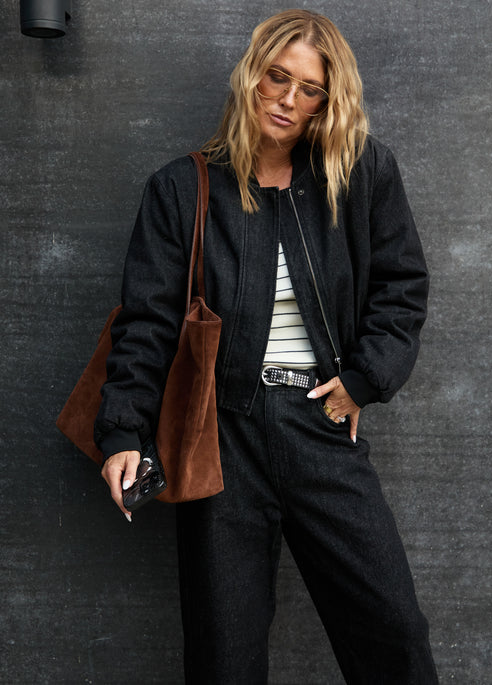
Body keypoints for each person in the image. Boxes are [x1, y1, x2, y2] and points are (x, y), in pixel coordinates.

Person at [95, 9, 438, 684]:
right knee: (225, 653)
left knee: (393, 630)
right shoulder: (182, 188)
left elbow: (401, 287)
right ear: (251, 75)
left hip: (320, 422)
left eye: (309, 88)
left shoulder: (360, 173)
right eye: (277, 77)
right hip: (223, 438)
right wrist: (122, 431)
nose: (287, 99)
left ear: (327, 101)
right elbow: (146, 321)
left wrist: (363, 380)